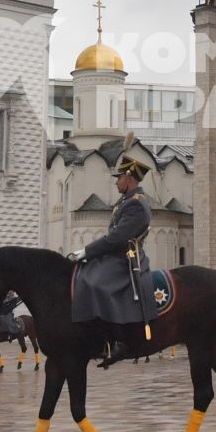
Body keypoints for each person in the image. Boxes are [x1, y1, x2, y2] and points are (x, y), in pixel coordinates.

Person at [68, 153, 154, 361]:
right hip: (115, 256)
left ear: (129, 177)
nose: (116, 181)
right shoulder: (125, 201)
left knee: (97, 283)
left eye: (119, 177)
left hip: (126, 258)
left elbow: (117, 238)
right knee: (84, 276)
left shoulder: (136, 204)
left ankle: (117, 341)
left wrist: (86, 251)